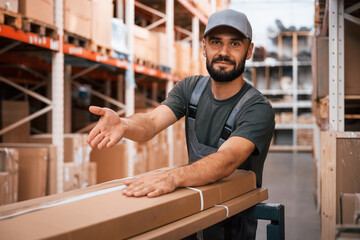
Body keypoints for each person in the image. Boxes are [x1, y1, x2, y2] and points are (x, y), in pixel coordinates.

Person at [87, 9, 275, 240]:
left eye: (235, 44)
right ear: (204, 47)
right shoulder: (190, 89)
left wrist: (172, 177)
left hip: (232, 224)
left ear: (249, 51)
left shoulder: (257, 108)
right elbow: (151, 122)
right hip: (193, 210)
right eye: (216, 42)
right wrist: (124, 124)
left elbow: (227, 160)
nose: (224, 52)